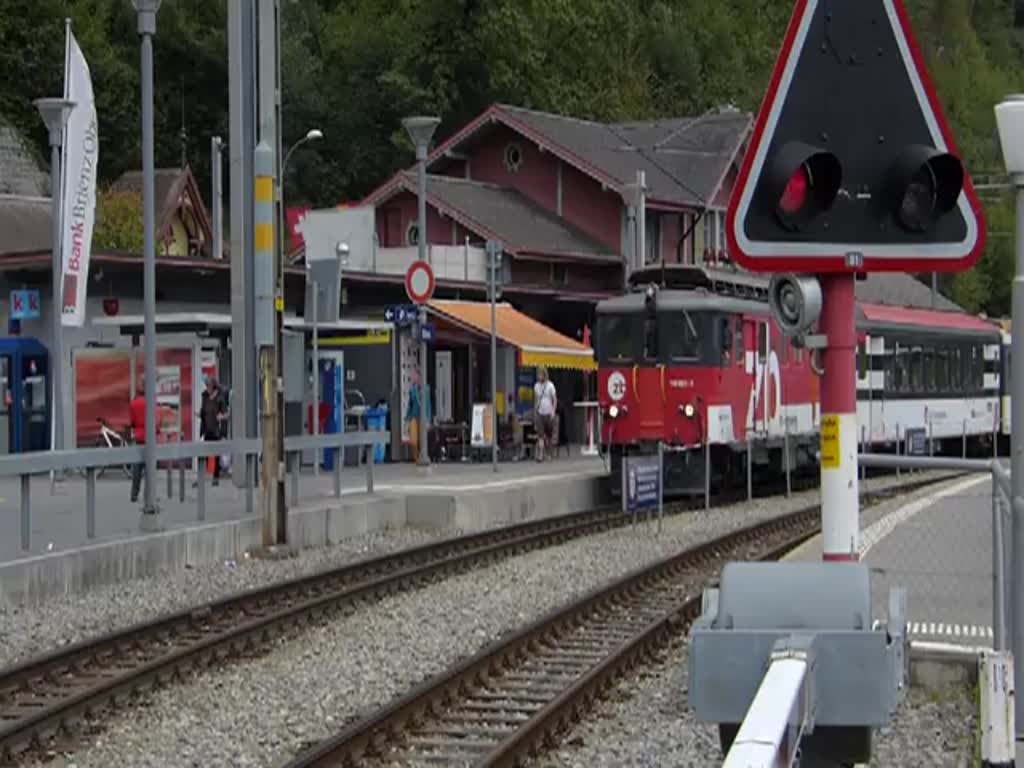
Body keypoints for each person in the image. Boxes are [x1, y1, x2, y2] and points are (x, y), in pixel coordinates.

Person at [199, 377, 228, 485]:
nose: (207, 388)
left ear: (213, 387)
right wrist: (200, 414)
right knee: (205, 452)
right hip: (206, 428)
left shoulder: (220, 398)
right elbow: (203, 411)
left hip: (216, 429)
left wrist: (222, 416)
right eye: (206, 386)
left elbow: (226, 413)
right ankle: (206, 474)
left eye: (208, 386)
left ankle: (215, 477)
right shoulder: (205, 396)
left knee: (216, 454)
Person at [405, 370, 432, 463]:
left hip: (423, 417)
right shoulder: (412, 389)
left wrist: (428, 419)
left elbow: (428, 405)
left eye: (414, 376)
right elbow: (410, 404)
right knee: (413, 440)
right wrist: (407, 419)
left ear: (419, 377)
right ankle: (416, 457)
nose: (412, 378)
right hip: (414, 416)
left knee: (422, 439)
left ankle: (422, 456)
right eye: (412, 377)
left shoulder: (426, 389)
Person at [128, 382, 147, 503]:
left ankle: (134, 494)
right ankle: (149, 494)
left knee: (137, 470)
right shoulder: (150, 402)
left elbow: (132, 422)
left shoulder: (133, 404)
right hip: (150, 439)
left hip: (139, 437)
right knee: (150, 470)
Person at [533, 366, 557, 461]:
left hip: (549, 413)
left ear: (545, 374)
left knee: (549, 436)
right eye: (538, 374)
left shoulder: (550, 385)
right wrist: (535, 412)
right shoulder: (536, 386)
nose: (539, 376)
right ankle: (540, 455)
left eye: (541, 374)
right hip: (540, 413)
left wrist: (553, 412)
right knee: (540, 435)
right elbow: (536, 400)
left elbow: (554, 399)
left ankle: (549, 453)